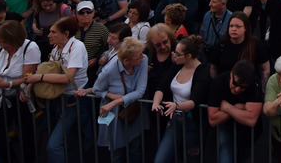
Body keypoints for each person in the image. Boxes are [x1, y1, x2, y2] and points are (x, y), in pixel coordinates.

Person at [23, 16, 93, 163]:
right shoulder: (56, 49)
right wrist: (31, 84)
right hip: (60, 100)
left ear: (66, 34)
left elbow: (68, 78)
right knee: (70, 142)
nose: (49, 35)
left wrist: (39, 78)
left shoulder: (77, 47)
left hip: (74, 101)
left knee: (54, 146)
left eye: (53, 32)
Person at [78, 38, 148, 163]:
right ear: (126, 61)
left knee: (135, 148)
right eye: (138, 56)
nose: (142, 57)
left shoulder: (143, 60)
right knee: (116, 151)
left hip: (132, 111)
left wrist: (116, 101)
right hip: (115, 115)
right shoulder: (109, 70)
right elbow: (97, 89)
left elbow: (140, 91)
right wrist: (111, 95)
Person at [0, 20, 41, 162]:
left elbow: (27, 78)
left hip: (21, 97)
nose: (2, 46)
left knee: (26, 136)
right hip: (1, 98)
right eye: (0, 43)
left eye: (5, 43)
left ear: (15, 40)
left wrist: (5, 84)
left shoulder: (30, 47)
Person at [150, 35, 211, 163]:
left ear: (188, 56)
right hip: (174, 121)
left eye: (178, 53)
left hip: (192, 123)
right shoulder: (178, 65)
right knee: (160, 159)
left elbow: (194, 101)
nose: (174, 55)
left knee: (192, 159)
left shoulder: (203, 71)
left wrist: (176, 105)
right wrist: (156, 103)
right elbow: (162, 86)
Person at [207, 59, 264, 163]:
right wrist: (239, 108)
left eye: (243, 87)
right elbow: (213, 119)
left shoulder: (255, 83)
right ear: (231, 75)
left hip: (248, 134)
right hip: (226, 127)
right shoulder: (219, 81)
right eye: (235, 83)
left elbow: (251, 119)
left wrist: (228, 107)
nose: (237, 89)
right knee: (225, 153)